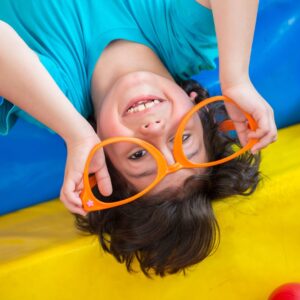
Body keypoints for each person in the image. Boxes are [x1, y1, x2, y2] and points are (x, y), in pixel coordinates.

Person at [0, 0, 277, 277]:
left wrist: (76, 132)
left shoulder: (55, 97)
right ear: (199, 111)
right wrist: (236, 79)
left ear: (102, 159)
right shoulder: (185, 38)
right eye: (183, 140)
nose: (155, 129)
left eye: (138, 155)